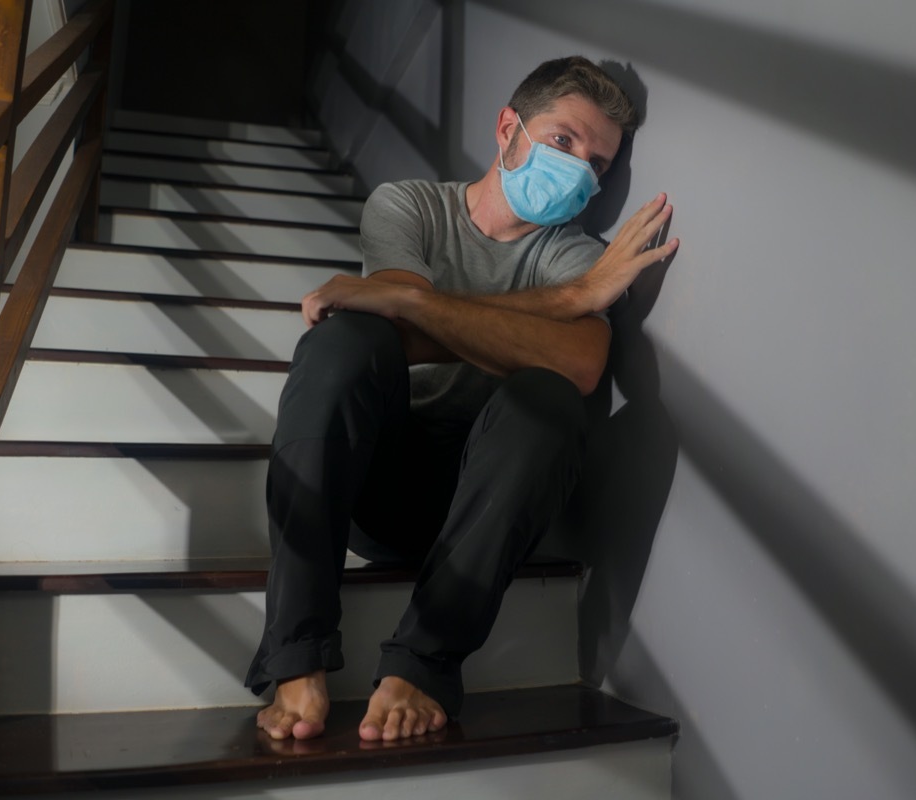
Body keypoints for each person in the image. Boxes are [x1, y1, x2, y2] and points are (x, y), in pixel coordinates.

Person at [247, 56, 678, 743]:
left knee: (550, 395)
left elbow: (581, 362)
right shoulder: (410, 206)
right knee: (342, 344)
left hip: (490, 494)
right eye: (563, 140)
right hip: (378, 482)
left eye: (598, 163)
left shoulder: (577, 255)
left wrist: (425, 306)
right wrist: (557, 307)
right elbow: (386, 328)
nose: (580, 172)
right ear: (508, 125)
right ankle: (294, 654)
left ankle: (423, 663)